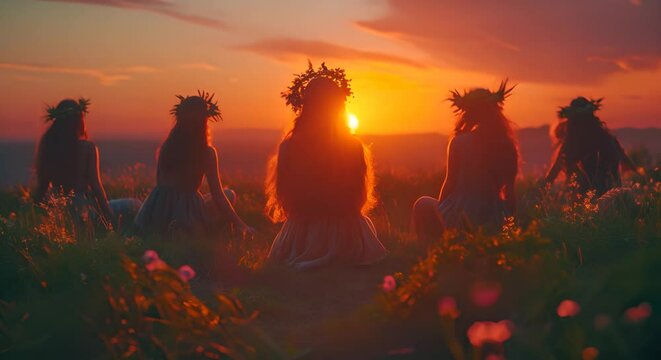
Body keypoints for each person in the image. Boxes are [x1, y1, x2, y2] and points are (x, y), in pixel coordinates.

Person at [265, 62, 387, 270]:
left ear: (305, 106)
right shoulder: (352, 146)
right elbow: (360, 198)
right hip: (344, 230)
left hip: (301, 231)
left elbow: (283, 197)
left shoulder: (289, 147)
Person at [134, 91, 253, 237]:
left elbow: (159, 183)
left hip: (157, 209)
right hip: (186, 211)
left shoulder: (167, 147)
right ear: (204, 121)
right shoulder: (206, 152)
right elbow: (217, 195)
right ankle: (214, 232)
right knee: (229, 195)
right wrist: (241, 224)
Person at [412, 81, 519, 240]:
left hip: (460, 215)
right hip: (492, 218)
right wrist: (510, 224)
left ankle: (429, 251)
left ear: (469, 112)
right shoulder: (506, 144)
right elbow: (509, 191)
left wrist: (442, 212)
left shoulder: (460, 142)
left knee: (422, 204)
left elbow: (450, 182)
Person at [34, 98, 141, 229]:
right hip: (85, 210)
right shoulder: (87, 148)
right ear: (79, 121)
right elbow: (96, 187)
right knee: (135, 205)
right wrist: (109, 217)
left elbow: (41, 189)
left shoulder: (49, 147)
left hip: (61, 213)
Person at [543, 97, 636, 196]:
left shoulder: (570, 146)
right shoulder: (608, 140)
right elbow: (629, 167)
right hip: (612, 201)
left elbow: (551, 177)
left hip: (586, 205)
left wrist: (535, 195)